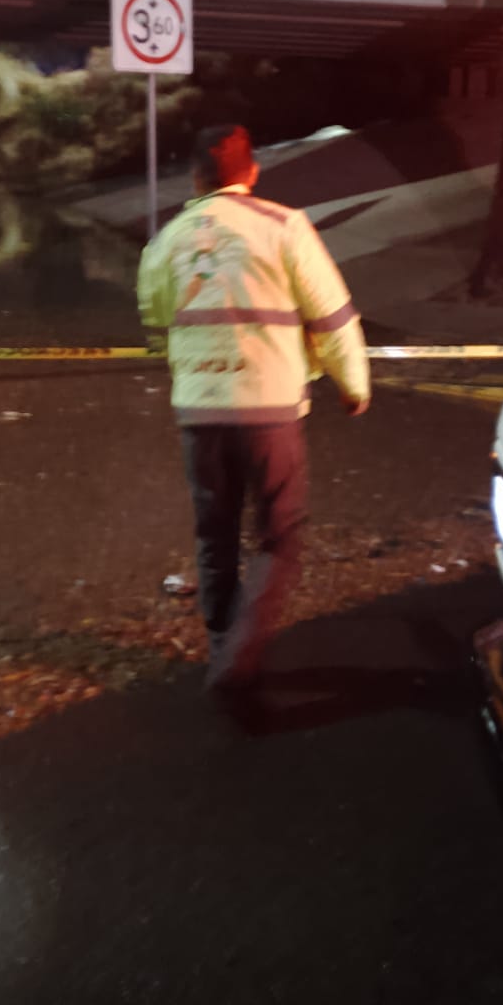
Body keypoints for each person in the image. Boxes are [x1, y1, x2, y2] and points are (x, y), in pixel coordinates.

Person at [137, 124, 370, 690]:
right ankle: (237, 661)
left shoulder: (167, 240)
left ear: (195, 178)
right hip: (270, 411)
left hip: (200, 410)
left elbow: (154, 318)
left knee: (214, 536)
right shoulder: (284, 227)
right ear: (252, 172)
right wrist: (353, 384)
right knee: (279, 538)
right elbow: (332, 317)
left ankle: (222, 651)